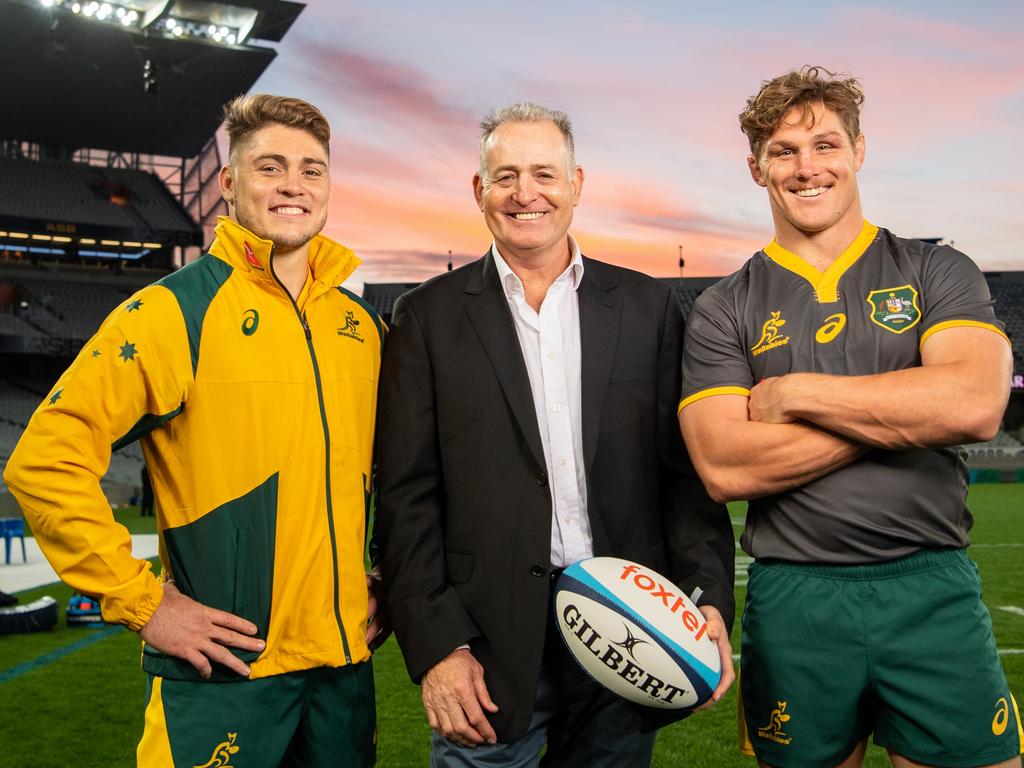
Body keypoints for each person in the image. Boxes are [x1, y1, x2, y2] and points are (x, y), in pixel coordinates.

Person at [3, 94, 384, 768]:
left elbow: (396, 474)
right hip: (223, 674)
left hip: (344, 677)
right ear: (230, 184)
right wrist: (143, 603)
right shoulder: (172, 311)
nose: (294, 184)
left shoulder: (362, 329)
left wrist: (388, 573)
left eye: (312, 169)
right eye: (271, 167)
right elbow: (43, 459)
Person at [678, 66, 1022, 768]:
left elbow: (976, 405)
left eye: (826, 145)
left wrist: (798, 394)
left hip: (930, 583)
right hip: (795, 595)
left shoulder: (937, 270)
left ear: (859, 151)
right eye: (784, 152)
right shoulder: (723, 307)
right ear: (756, 169)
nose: (808, 168)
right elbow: (724, 465)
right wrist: (906, 405)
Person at [376, 101, 735, 767]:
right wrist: (437, 648)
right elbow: (407, 498)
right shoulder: (424, 318)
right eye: (505, 175)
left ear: (577, 185)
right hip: (488, 639)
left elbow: (684, 477)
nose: (525, 193)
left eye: (544, 173)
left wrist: (707, 599)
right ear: (478, 190)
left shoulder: (647, 308)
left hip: (629, 624)